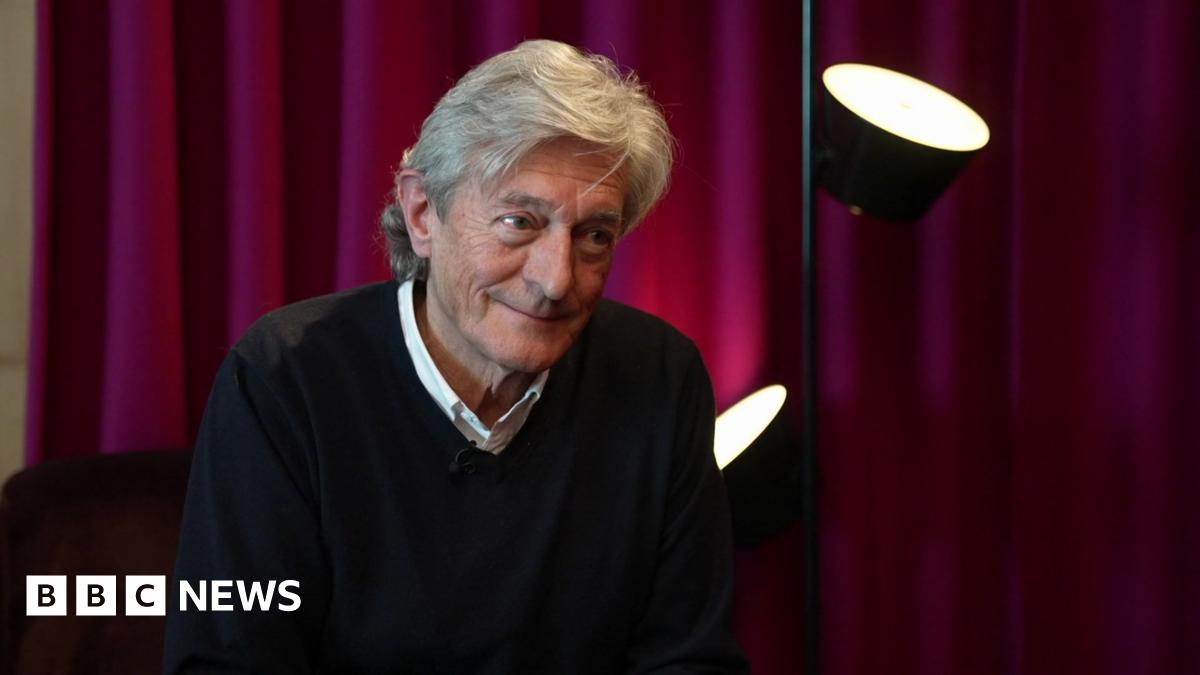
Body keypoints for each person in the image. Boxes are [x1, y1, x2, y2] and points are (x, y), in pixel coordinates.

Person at [164, 39, 746, 674]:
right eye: (519, 222)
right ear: (422, 213)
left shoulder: (661, 376)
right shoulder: (286, 376)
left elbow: (690, 660)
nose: (557, 280)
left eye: (595, 235)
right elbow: (227, 662)